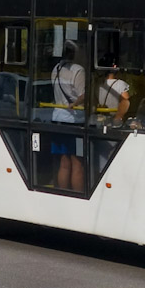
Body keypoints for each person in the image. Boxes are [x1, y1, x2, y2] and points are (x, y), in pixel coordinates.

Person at [50, 41, 86, 190]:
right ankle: (77, 197)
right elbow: (83, 95)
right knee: (77, 163)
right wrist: (75, 103)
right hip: (74, 120)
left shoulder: (56, 69)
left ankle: (63, 194)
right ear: (74, 53)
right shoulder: (78, 70)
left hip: (58, 118)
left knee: (64, 163)